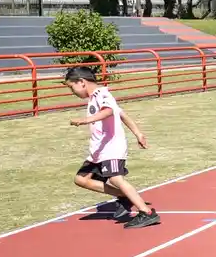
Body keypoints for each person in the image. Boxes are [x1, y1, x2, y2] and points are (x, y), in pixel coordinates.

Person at [63, 65, 160, 228]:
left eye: (72, 88)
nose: (73, 92)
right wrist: (138, 133)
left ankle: (147, 212)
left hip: (111, 147)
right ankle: (124, 196)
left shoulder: (102, 94)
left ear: (81, 82)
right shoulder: (94, 98)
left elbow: (109, 111)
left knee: (115, 178)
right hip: (98, 150)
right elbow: (122, 115)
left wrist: (85, 120)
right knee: (81, 179)